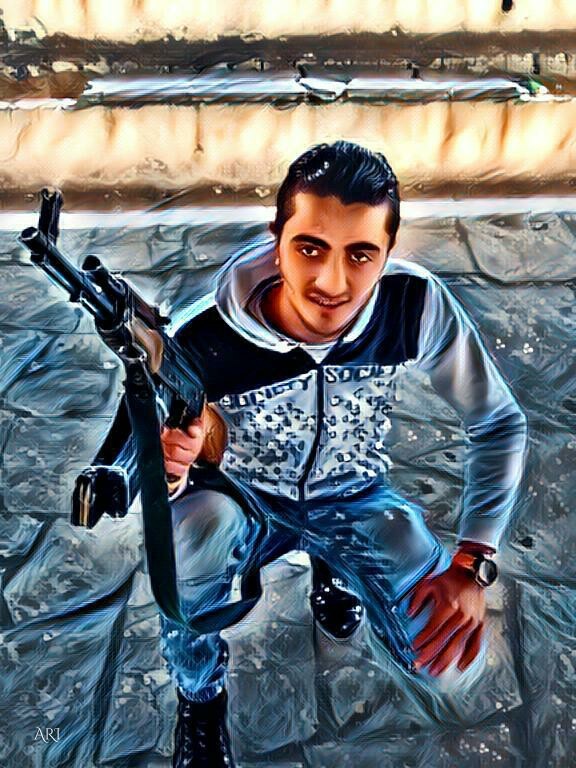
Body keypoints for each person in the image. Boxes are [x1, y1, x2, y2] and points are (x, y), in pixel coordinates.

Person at [158, 141, 528, 767]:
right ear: (277, 239)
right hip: (242, 499)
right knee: (189, 537)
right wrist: (173, 466)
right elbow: (139, 466)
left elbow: (497, 420)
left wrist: (473, 561)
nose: (332, 284)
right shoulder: (201, 336)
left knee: (447, 666)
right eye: (310, 248)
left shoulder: (414, 304)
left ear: (388, 250)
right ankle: (199, 698)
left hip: (355, 494)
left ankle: (335, 561)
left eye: (360, 254)